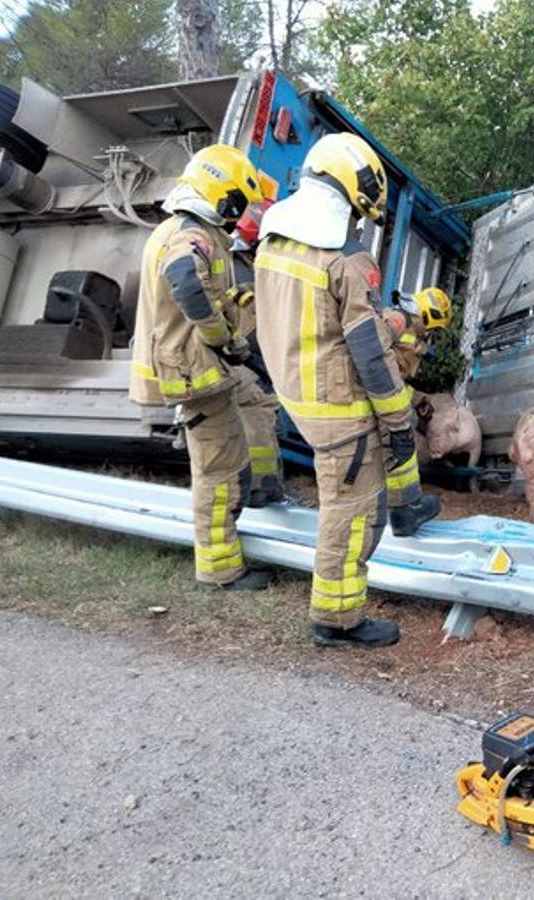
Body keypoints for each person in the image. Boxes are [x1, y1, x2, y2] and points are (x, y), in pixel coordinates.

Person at [254, 132, 439, 648]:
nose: (359, 223)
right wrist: (400, 423)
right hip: (340, 409)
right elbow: (371, 356)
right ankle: (337, 618)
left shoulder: (274, 242)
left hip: (301, 396)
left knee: (343, 505)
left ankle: (334, 612)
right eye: (360, 211)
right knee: (353, 513)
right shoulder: (344, 262)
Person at [129, 144, 270, 591]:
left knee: (227, 463)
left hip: (194, 371)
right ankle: (221, 571)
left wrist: (235, 310)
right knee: (219, 473)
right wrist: (223, 339)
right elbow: (188, 283)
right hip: (194, 374)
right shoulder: (192, 236)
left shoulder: (179, 228)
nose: (238, 215)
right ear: (224, 196)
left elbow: (203, 289)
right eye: (239, 205)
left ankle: (226, 557)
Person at [379, 286, 453, 528]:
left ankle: (405, 510)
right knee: (398, 446)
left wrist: (418, 399)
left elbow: (395, 378)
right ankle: (405, 510)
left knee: (397, 448)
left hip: (383, 398)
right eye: (434, 328)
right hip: (376, 399)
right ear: (428, 315)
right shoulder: (397, 321)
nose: (430, 335)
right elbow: (371, 356)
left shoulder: (409, 329)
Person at [228, 198, 285, 507]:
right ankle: (261, 487)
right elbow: (252, 325)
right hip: (243, 361)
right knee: (258, 420)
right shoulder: (238, 269)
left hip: (247, 359)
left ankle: (267, 484)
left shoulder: (240, 263)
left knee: (260, 419)